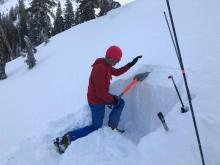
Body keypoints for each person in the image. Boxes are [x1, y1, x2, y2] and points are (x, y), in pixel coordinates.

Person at [54, 45, 142, 153]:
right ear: (112, 58)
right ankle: (68, 138)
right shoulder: (100, 69)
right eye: (117, 60)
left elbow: (117, 72)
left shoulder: (106, 64)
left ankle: (112, 127)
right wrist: (112, 100)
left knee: (120, 103)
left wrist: (130, 64)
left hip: (102, 97)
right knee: (96, 127)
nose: (117, 62)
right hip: (96, 101)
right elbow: (100, 93)